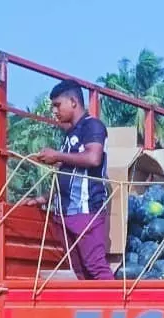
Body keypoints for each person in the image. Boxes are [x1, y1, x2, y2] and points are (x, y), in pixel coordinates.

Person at [24, 79, 113, 280]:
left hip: (85, 210)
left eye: (57, 105)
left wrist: (57, 156)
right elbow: (67, 174)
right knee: (79, 271)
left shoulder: (92, 126)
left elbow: (93, 158)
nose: (54, 111)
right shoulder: (69, 134)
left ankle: (113, 309)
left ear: (73, 101)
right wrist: (45, 199)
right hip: (65, 213)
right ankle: (90, 310)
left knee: (95, 266)